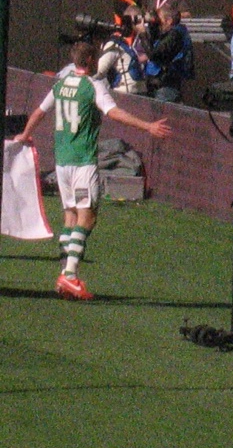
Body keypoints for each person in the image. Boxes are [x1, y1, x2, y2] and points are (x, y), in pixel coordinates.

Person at [14, 40, 171, 299]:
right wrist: (148, 126)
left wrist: (25, 134)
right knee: (87, 218)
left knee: (70, 216)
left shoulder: (61, 84)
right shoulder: (93, 85)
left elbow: (40, 112)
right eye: (96, 58)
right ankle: (70, 276)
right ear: (89, 61)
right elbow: (114, 112)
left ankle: (66, 276)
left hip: (62, 161)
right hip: (82, 161)